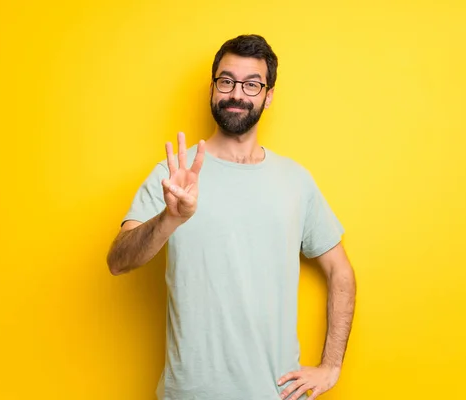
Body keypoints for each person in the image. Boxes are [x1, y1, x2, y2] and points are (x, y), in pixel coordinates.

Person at [106, 34, 356, 400]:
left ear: (268, 95)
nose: (237, 93)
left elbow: (340, 271)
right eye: (227, 81)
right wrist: (169, 219)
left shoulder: (295, 181)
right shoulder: (173, 174)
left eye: (252, 84)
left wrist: (331, 365)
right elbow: (118, 260)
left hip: (277, 393)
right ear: (213, 89)